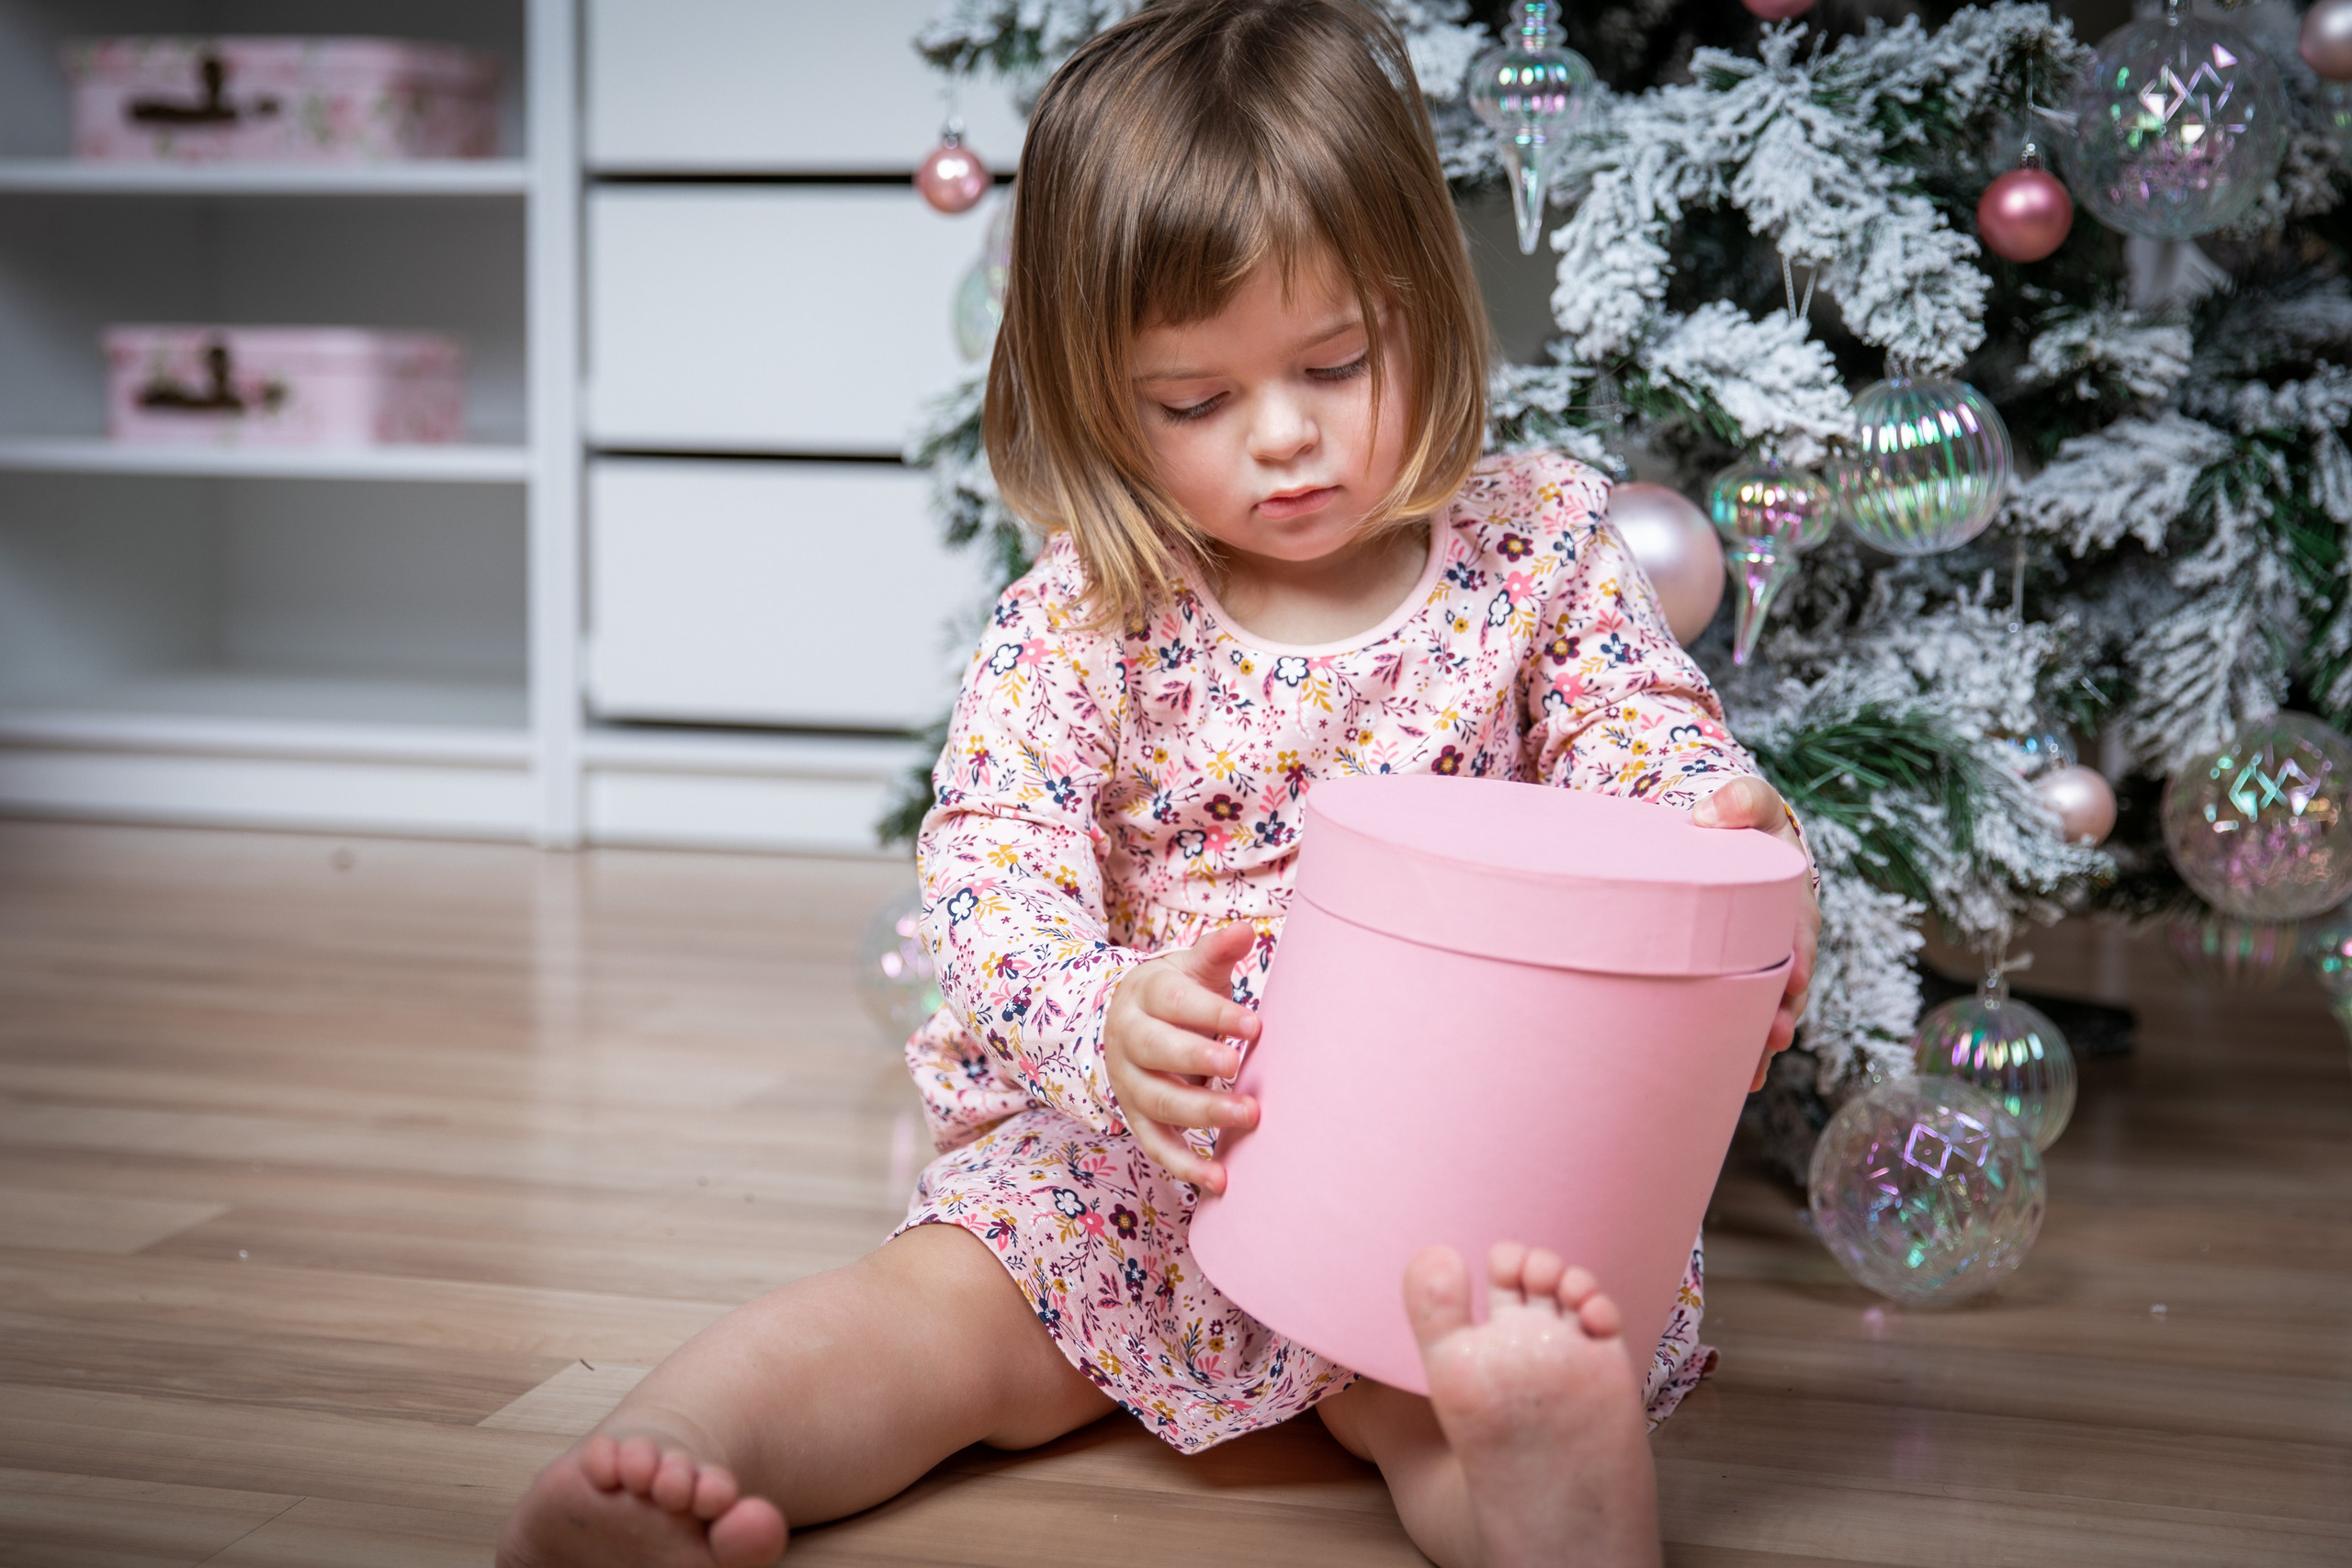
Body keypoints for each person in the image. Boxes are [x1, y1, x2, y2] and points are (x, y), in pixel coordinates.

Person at [498, 3, 1816, 1563]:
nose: (1283, 438)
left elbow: (1641, 734)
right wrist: (1097, 1014)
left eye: (1338, 360)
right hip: (1146, 1150)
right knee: (938, 1320)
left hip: (1442, 1158)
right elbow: (990, 874)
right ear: (1101, 395)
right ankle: (670, 1456)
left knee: (1440, 1384)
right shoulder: (1086, 614)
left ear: (1426, 299)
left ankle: (1550, 1500)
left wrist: (1713, 831)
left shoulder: (1534, 545)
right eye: (1193, 402)